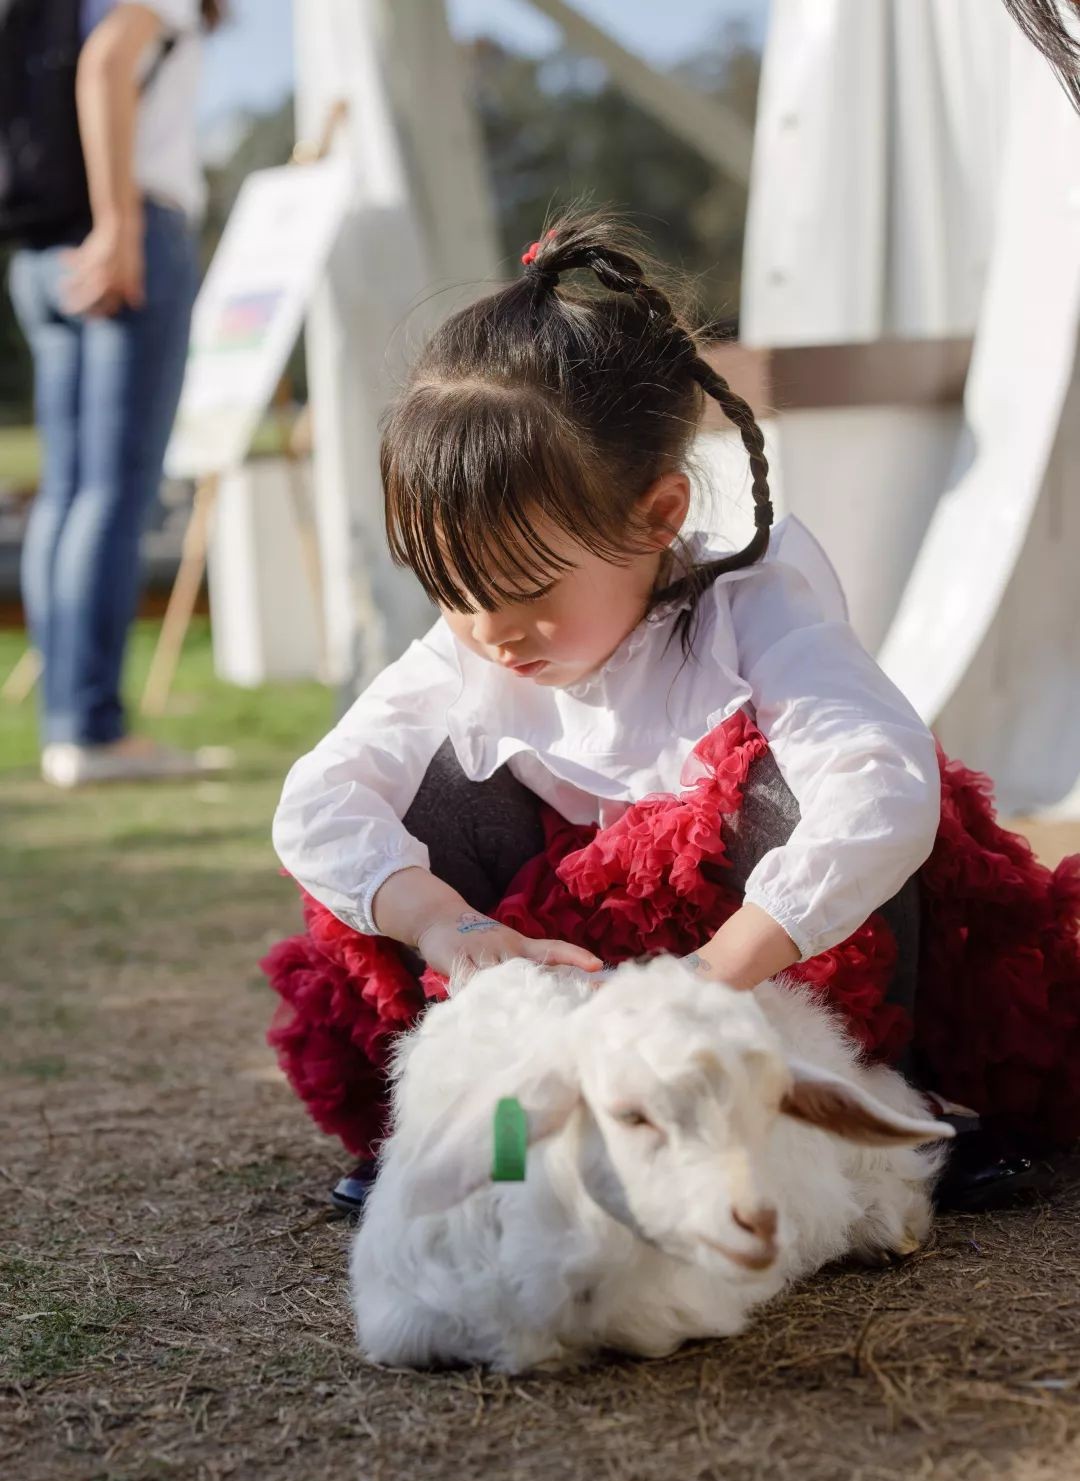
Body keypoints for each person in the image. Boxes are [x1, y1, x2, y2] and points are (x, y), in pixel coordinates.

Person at [265, 210, 1079, 1218]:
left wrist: (713, 974)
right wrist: (449, 925)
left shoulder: (754, 607)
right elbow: (321, 800)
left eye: (527, 588)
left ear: (657, 516)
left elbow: (881, 785)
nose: (490, 630)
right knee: (429, 793)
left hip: (748, 963)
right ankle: (485, 1126)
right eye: (451, 588)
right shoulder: (467, 646)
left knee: (797, 790)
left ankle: (880, 1101)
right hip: (546, 957)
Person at [6, 0, 225, 786]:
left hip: (41, 252)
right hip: (125, 236)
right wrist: (119, 226)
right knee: (113, 493)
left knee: (69, 495)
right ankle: (93, 729)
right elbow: (105, 64)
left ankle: (68, 724)